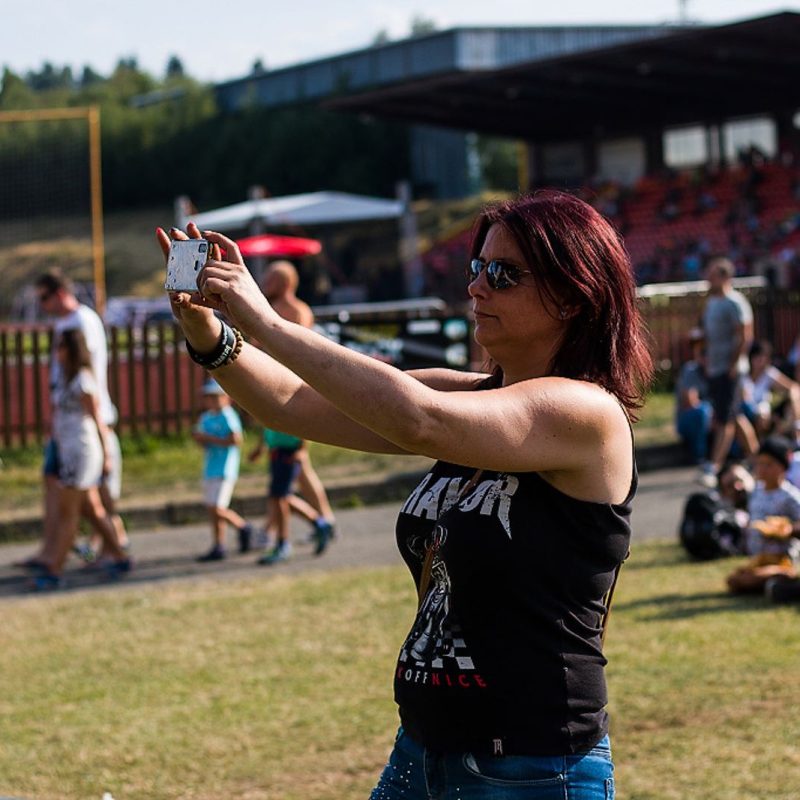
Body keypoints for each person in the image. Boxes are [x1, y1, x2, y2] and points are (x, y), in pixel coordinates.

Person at [157, 189, 653, 799]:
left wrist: (267, 322)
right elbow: (293, 406)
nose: (477, 287)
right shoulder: (466, 396)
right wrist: (209, 335)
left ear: (575, 296)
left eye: (503, 274)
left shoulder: (588, 413)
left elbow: (418, 420)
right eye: (477, 269)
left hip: (532, 765)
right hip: (422, 749)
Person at [21, 270, 128, 569]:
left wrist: (102, 439)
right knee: (75, 493)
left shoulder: (82, 322)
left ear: (59, 293)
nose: (42, 305)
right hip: (66, 425)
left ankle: (109, 549)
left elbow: (88, 383)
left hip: (83, 426)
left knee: (91, 497)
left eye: (44, 297)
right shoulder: (64, 324)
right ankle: (86, 550)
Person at [29, 329, 130, 589]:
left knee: (68, 513)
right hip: (70, 451)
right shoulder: (65, 379)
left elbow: (98, 419)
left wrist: (107, 454)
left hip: (83, 452)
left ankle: (54, 571)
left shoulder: (83, 380)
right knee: (92, 510)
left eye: (61, 347)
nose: (57, 353)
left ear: (72, 350)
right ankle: (119, 555)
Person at [258, 261, 337, 538]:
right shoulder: (270, 310)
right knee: (297, 464)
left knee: (293, 459)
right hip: (274, 387)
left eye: (272, 279)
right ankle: (316, 520)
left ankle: (283, 527)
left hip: (294, 391)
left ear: (286, 283)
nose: (265, 283)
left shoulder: (298, 311)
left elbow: (297, 350)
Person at [700, 256, 755, 487]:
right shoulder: (712, 302)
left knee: (725, 418)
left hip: (729, 370)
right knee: (733, 414)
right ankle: (756, 455)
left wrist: (733, 364)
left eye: (712, 274)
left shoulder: (735, 302)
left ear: (723, 276)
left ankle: (714, 465)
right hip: (716, 367)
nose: (707, 278)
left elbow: (745, 335)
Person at [726, 436, 800, 594]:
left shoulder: (790, 496)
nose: (762, 469)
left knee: (749, 580)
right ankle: (767, 582)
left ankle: (779, 580)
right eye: (759, 463)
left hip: (782, 558)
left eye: (769, 465)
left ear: (783, 467)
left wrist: (786, 530)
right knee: (735, 580)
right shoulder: (756, 491)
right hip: (759, 557)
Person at [247, 426, 331, 564]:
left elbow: (299, 421)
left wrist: (302, 449)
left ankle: (283, 543)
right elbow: (265, 424)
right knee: (280, 498)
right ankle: (319, 523)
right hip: (276, 452)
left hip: (289, 453)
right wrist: (260, 447)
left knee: (279, 498)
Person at [193, 379, 254, 562]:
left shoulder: (228, 416)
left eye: (215, 397)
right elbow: (202, 441)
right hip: (210, 468)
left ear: (226, 398)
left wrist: (209, 439)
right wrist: (201, 440)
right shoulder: (205, 418)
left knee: (217, 508)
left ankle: (243, 527)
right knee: (213, 510)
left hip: (225, 468)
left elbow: (236, 440)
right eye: (209, 397)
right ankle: (219, 544)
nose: (211, 401)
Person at [740, 339, 800, 439]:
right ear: (751, 358)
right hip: (749, 413)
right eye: (758, 357)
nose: (761, 361)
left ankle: (797, 434)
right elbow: (746, 401)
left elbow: (793, 387)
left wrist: (793, 400)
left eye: (764, 358)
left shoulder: (769, 373)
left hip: (768, 414)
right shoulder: (743, 377)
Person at [674, 328, 713, 465]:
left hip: (712, 418)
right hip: (689, 419)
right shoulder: (690, 370)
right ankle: (699, 456)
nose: (705, 356)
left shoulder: (718, 371)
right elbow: (691, 401)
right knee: (702, 411)